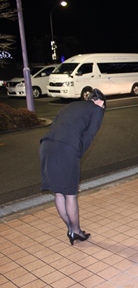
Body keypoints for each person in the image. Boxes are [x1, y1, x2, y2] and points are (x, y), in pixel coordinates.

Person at [40, 89, 106, 245]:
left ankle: (70, 228)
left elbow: (56, 124)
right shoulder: (97, 109)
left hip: (47, 146)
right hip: (67, 149)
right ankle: (76, 231)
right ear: (101, 102)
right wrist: (76, 155)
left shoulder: (71, 105)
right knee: (70, 194)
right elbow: (89, 136)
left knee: (58, 193)